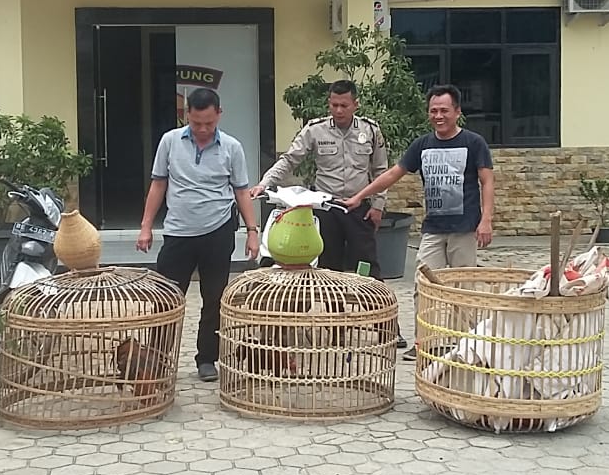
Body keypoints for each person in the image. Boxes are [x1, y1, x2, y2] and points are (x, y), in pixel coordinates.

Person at [250, 79, 408, 348]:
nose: (338, 110)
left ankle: (387, 328)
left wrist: (378, 205)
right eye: (334, 105)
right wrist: (265, 183)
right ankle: (336, 329)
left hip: (359, 209)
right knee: (329, 271)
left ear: (355, 104)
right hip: (327, 209)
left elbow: (381, 170)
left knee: (368, 268)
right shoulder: (315, 130)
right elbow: (290, 160)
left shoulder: (370, 130)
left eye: (344, 105)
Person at [343, 84, 495, 359]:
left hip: (464, 229)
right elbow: (392, 174)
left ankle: (464, 345)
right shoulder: (422, 145)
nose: (438, 116)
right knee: (422, 285)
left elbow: (487, 181)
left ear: (457, 112)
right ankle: (425, 343)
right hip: (433, 229)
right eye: (433, 111)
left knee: (463, 288)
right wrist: (359, 196)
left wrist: (486, 220)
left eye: (444, 110)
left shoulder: (474, 143)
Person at [136, 87, 261, 382]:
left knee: (214, 298)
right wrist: (146, 226)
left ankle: (207, 359)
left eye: (209, 123)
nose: (203, 129)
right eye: (196, 123)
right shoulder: (170, 141)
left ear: (219, 114)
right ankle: (157, 359)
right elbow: (158, 184)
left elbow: (241, 191)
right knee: (166, 299)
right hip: (178, 232)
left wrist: (252, 231)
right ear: (186, 115)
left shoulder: (232, 147)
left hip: (218, 232)